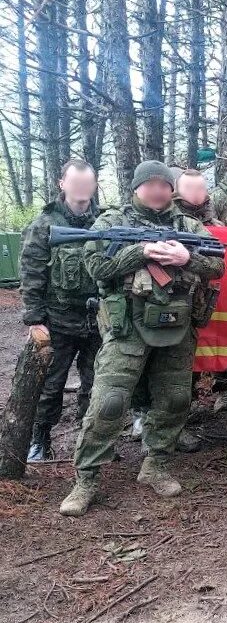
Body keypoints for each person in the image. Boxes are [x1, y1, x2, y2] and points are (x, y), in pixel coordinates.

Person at [60, 161, 226, 516]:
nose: (157, 190)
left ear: (172, 190)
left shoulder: (188, 224)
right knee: (109, 402)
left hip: (177, 324)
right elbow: (97, 268)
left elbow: (219, 264)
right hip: (127, 326)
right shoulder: (111, 222)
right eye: (149, 184)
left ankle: (156, 464)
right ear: (136, 187)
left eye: (164, 185)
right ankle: (86, 478)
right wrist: (142, 252)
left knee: (176, 399)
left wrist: (188, 257)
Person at [21, 159, 101, 462]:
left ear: (94, 186)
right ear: (62, 183)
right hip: (58, 319)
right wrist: (35, 319)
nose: (82, 188)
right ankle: (40, 437)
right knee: (50, 383)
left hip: (99, 318)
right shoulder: (44, 224)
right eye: (75, 182)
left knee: (95, 382)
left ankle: (89, 437)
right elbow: (31, 274)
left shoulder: (105, 222)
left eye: (87, 182)